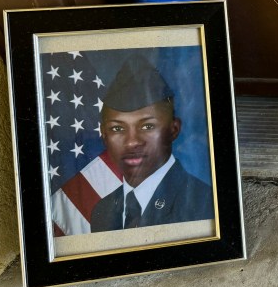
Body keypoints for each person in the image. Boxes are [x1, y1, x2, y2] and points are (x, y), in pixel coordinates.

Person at [90, 55, 214, 232]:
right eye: (117, 129)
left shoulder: (204, 204)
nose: (132, 142)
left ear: (174, 129)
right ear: (103, 135)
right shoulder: (102, 211)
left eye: (147, 126)